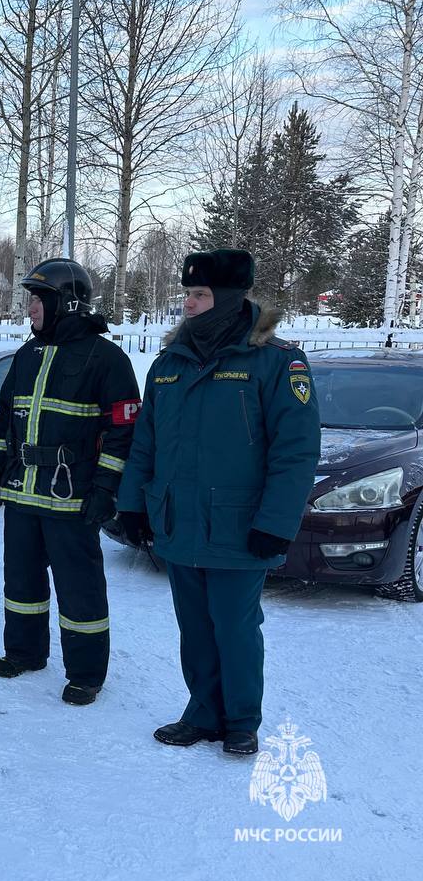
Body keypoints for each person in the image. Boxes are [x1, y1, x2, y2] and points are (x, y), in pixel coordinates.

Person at [116, 248, 320, 755]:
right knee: (195, 626)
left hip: (239, 526)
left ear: (229, 298)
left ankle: (242, 720)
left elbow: (296, 453)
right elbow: (147, 444)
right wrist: (134, 506)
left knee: (235, 626)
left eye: (200, 294)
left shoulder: (276, 361)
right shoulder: (168, 365)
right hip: (179, 520)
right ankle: (202, 712)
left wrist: (276, 522)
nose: (188, 303)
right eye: (186, 293)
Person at [0, 258, 140, 705]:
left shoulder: (106, 358)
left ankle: (87, 673)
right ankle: (25, 652)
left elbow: (122, 429)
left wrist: (106, 489)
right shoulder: (27, 355)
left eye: (38, 299)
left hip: (72, 498)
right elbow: (6, 416)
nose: (30, 308)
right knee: (21, 581)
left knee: (80, 589)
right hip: (22, 492)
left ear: (65, 302)